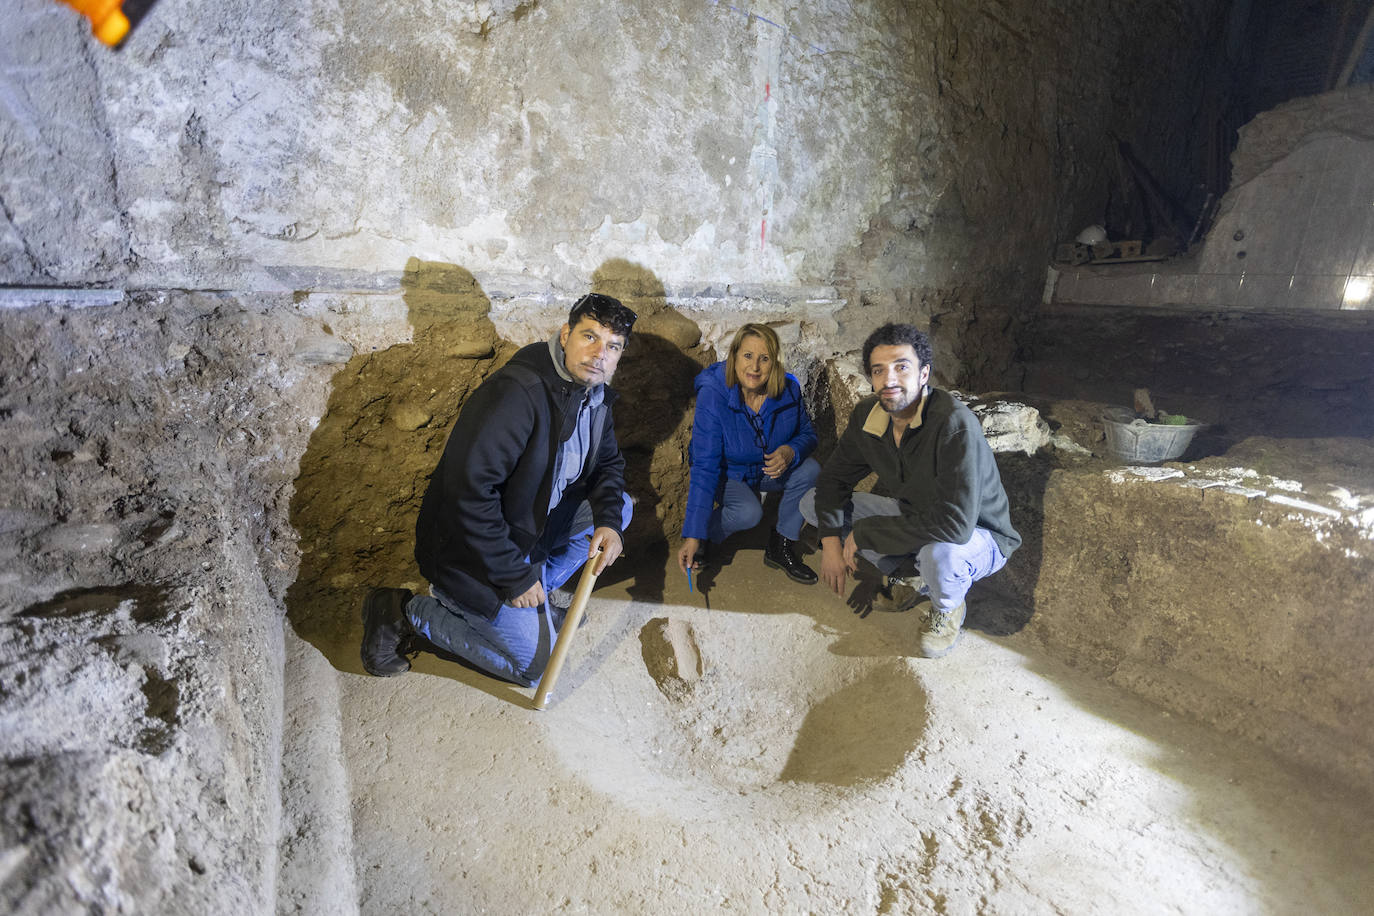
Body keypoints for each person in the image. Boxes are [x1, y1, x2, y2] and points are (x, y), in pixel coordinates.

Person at [360, 293, 638, 686]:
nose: (599, 354)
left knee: (620, 508)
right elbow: (467, 496)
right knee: (534, 668)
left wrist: (608, 522)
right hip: (470, 556)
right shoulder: (517, 396)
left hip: (530, 534)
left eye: (612, 346)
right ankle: (406, 611)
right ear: (565, 335)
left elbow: (608, 466)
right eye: (589, 337)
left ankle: (537, 594)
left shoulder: (595, 398)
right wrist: (512, 576)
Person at [801, 323, 1020, 658]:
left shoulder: (953, 424)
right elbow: (832, 481)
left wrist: (866, 533)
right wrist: (830, 544)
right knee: (811, 504)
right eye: (879, 370)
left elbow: (955, 526)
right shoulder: (868, 418)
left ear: (924, 374)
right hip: (918, 516)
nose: (889, 380)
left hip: (978, 534)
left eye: (902, 367)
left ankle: (947, 608)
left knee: (940, 554)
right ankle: (914, 577)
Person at [677, 323, 821, 585]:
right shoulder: (714, 394)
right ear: (734, 357)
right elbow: (705, 467)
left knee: (810, 470)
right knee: (748, 512)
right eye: (747, 356)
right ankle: (706, 537)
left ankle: (781, 544)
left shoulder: (788, 389)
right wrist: (693, 536)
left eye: (764, 359)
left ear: (774, 362)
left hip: (766, 471)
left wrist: (791, 451)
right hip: (728, 472)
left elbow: (808, 435)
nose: (754, 367)